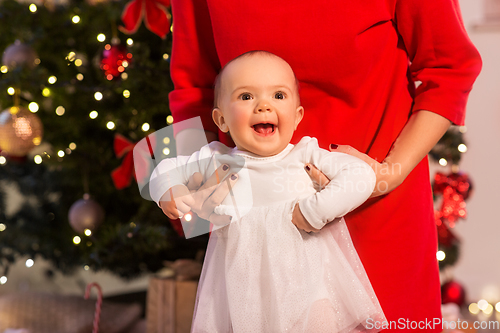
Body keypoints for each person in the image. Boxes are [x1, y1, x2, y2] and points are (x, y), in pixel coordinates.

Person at [165, 1, 482, 330]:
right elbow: (192, 88)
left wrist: (388, 173)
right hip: (258, 228)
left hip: (378, 210)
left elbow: (450, 66)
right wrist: (197, 184)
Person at [150, 51, 386, 332]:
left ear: (298, 116)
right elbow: (163, 169)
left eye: (278, 96)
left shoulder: (304, 154)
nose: (263, 106)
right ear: (221, 119)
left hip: (309, 283)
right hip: (242, 292)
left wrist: (314, 211)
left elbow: (361, 174)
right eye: (246, 97)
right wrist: (170, 189)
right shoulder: (217, 159)